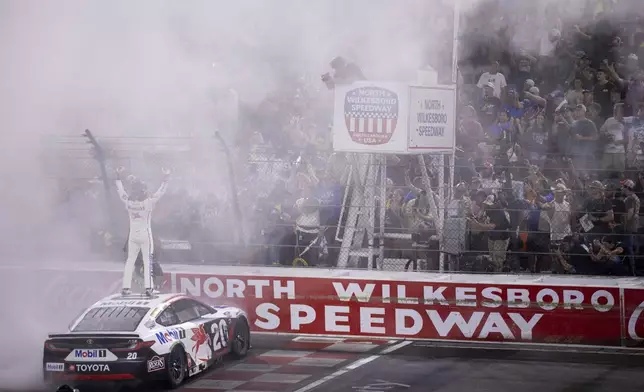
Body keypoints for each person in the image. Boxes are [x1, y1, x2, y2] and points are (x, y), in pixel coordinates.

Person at [116, 167, 170, 296]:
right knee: (147, 260)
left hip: (133, 235)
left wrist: (118, 177)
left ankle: (125, 288)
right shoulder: (148, 202)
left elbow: (121, 192)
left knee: (130, 260)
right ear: (143, 191)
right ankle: (149, 288)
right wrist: (166, 178)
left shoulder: (127, 201)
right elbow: (160, 192)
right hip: (145, 234)